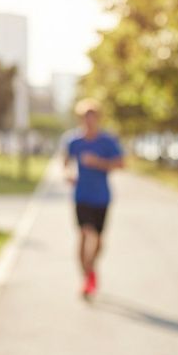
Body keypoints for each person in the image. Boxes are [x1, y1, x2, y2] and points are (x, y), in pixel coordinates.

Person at [64, 99, 124, 299]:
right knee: (83, 232)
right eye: (85, 117)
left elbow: (121, 164)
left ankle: (91, 269)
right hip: (81, 195)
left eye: (93, 117)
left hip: (102, 196)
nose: (89, 121)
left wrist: (98, 162)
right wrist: (68, 174)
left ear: (98, 118)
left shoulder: (107, 141)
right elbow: (65, 163)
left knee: (98, 238)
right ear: (80, 119)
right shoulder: (73, 141)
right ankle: (86, 278)